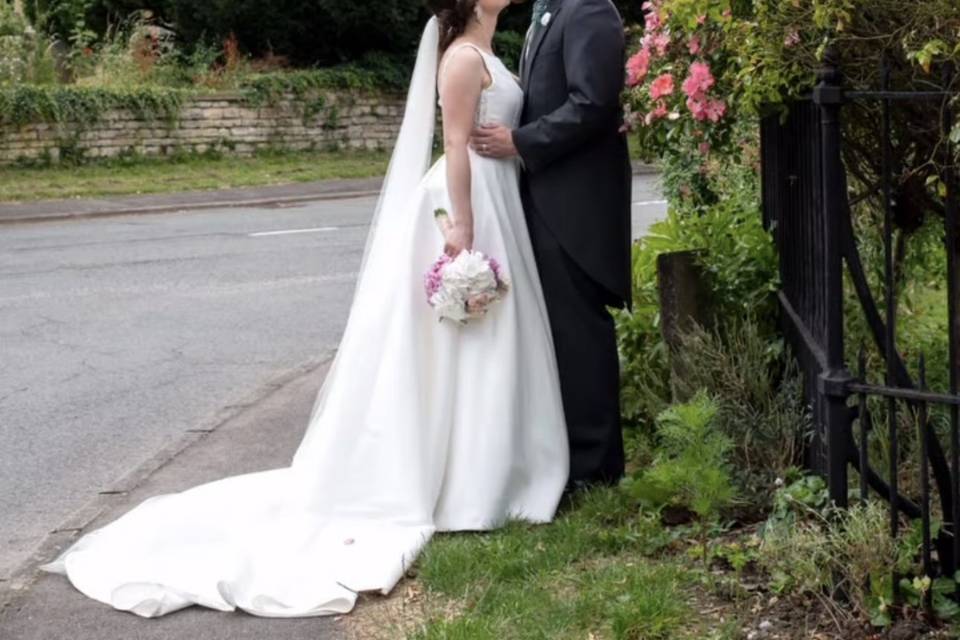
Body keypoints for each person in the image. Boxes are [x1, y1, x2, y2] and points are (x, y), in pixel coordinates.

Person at [41, 0, 570, 619]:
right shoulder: (460, 57)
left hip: (494, 196)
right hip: (467, 204)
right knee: (460, 347)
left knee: (487, 344)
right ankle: (464, 481)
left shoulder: (487, 50)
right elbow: (455, 142)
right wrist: (462, 227)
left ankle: (494, 470)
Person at [472, 0, 632, 488]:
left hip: (577, 208)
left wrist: (521, 142)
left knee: (580, 336)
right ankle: (573, 461)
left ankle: (595, 472)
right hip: (547, 202)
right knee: (562, 337)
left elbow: (593, 103)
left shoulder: (587, 10)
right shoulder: (549, 12)